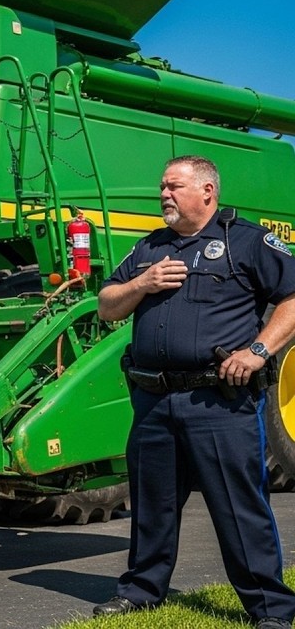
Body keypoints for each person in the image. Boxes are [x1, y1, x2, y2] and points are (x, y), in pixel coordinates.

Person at [94, 156, 295, 629]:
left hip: (218, 400)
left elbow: (292, 297)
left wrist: (259, 351)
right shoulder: (149, 247)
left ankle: (271, 608)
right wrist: (141, 283)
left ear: (207, 191)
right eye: (162, 186)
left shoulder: (244, 240)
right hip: (154, 401)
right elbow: (107, 305)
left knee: (238, 506)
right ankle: (141, 592)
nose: (164, 194)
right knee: (151, 506)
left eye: (175, 186)